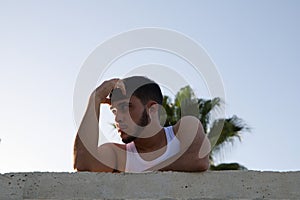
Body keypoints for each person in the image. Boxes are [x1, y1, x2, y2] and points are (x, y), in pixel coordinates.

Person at [73, 76, 211, 172]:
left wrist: (141, 175)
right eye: (114, 111)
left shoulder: (184, 128)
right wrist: (95, 98)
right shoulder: (120, 155)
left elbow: (198, 160)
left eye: (125, 108)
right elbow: (83, 164)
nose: (118, 119)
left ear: (152, 109)